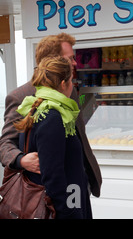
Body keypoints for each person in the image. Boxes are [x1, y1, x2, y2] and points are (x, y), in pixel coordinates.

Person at [0, 33, 102, 198]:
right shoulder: (20, 97)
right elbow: (4, 144)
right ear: (53, 60)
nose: (75, 63)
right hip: (46, 193)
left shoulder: (69, 90)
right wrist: (21, 160)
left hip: (79, 183)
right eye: (70, 58)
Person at [14, 56, 91, 218]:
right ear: (63, 84)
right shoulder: (52, 116)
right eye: (71, 81)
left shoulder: (37, 108)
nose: (73, 86)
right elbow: (52, 174)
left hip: (70, 197)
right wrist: (69, 212)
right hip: (66, 203)